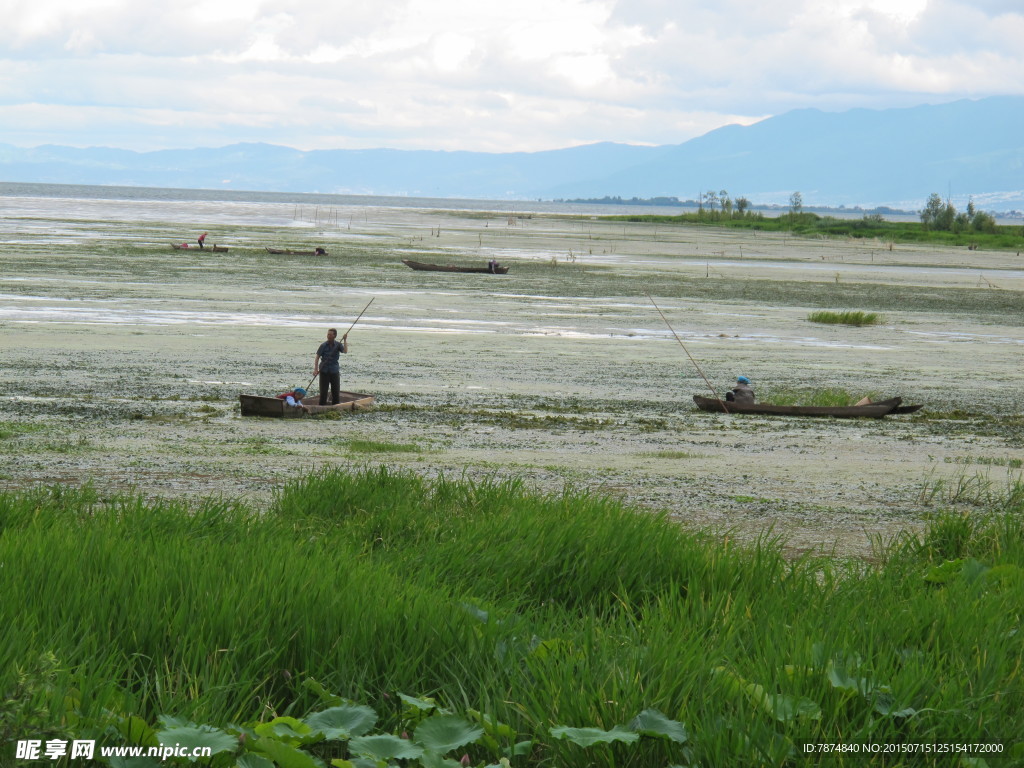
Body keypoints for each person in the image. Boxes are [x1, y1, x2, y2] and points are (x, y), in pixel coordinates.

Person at [313, 328, 348, 406]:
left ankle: (335, 406)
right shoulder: (323, 345)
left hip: (334, 371)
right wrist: (316, 369)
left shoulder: (338, 345)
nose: (328, 336)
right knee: (323, 392)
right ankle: (321, 407)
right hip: (324, 370)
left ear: (334, 336)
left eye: (330, 334)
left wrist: (345, 340)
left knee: (335, 391)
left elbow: (345, 351)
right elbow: (317, 357)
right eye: (328, 334)